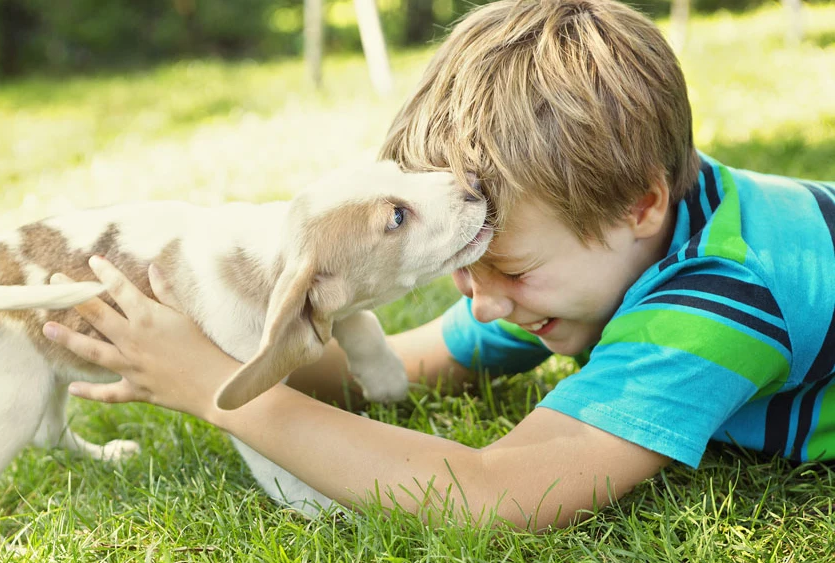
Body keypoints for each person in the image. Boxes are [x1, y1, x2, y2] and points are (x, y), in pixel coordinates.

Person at [41, 0, 835, 530]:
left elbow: (498, 492)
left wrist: (224, 403)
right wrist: (215, 340)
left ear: (641, 205)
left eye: (510, 270)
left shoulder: (723, 292)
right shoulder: (602, 235)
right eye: (466, 267)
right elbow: (410, 367)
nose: (484, 306)